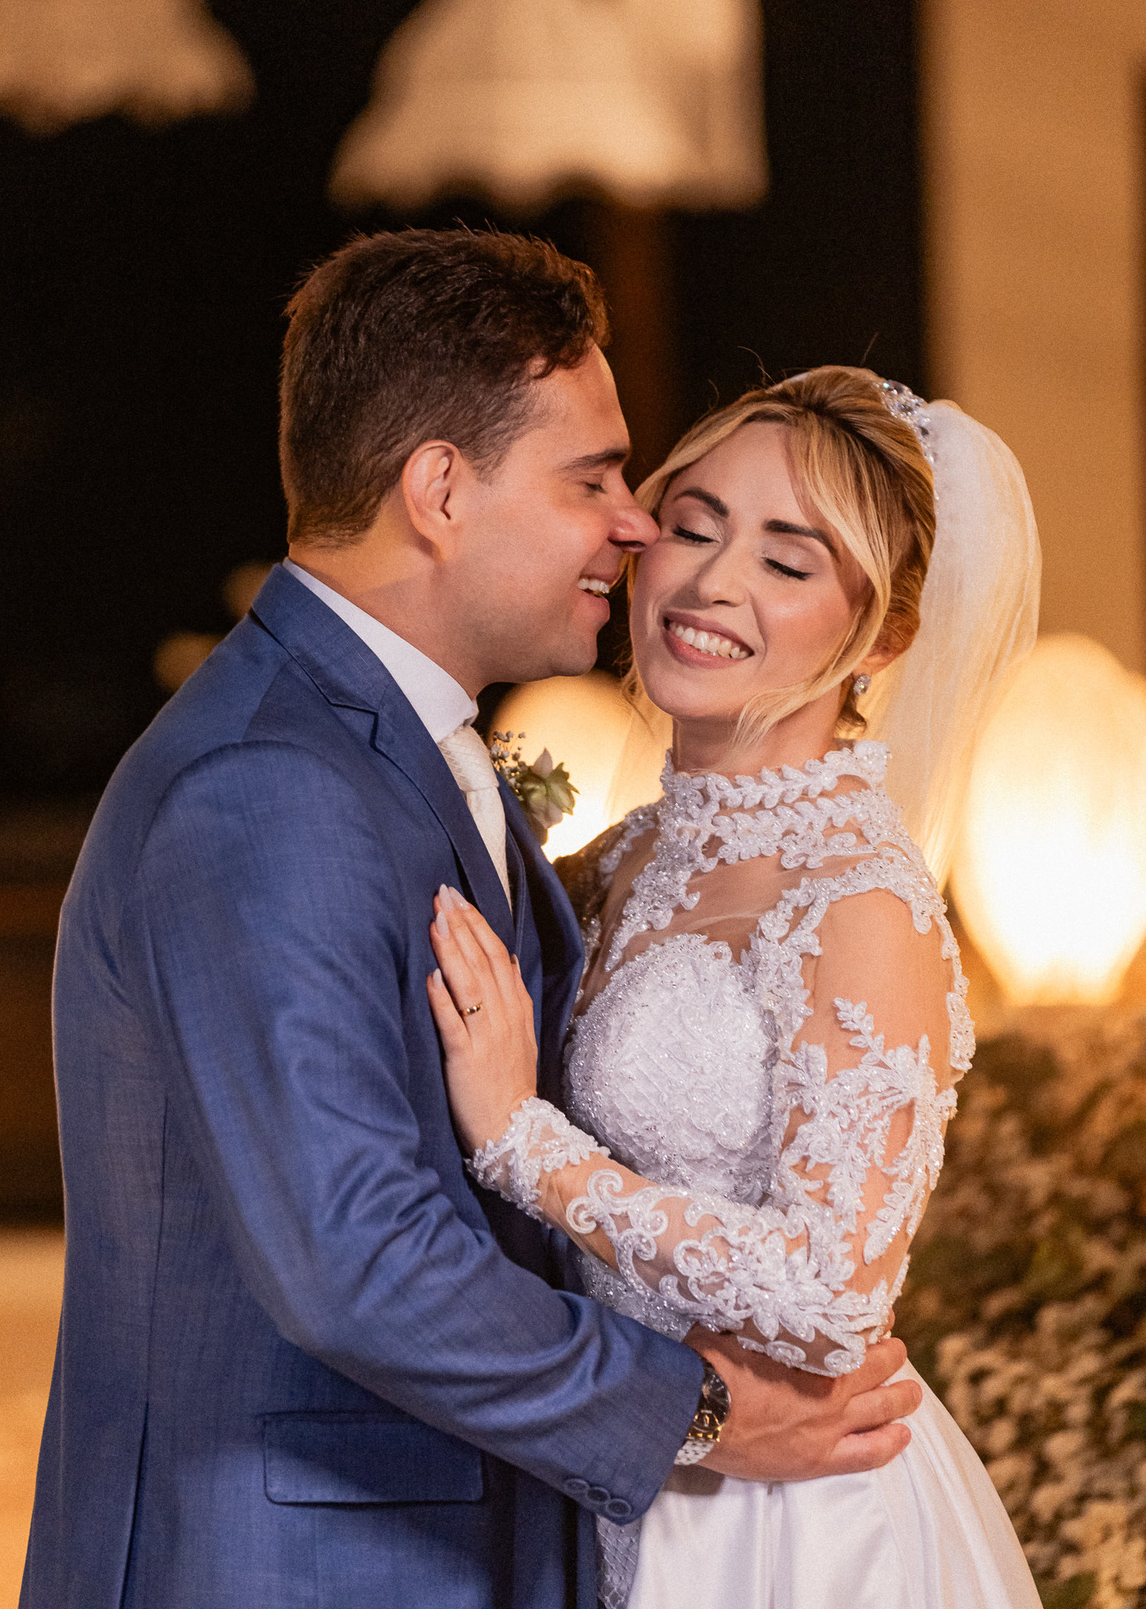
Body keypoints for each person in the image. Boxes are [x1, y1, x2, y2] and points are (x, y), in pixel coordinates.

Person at [21, 237, 920, 1609]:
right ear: (440, 490)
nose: (636, 524)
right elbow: (357, 1257)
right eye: (594, 479)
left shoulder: (402, 756)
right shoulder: (267, 789)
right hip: (302, 1566)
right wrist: (699, 1411)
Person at [425, 364, 1045, 1609]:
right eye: (695, 528)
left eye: (788, 560)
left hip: (788, 1521)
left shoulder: (858, 898)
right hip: (627, 1463)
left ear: (883, 637)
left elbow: (831, 1293)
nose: (712, 584)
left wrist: (521, 1143)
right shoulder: (632, 851)